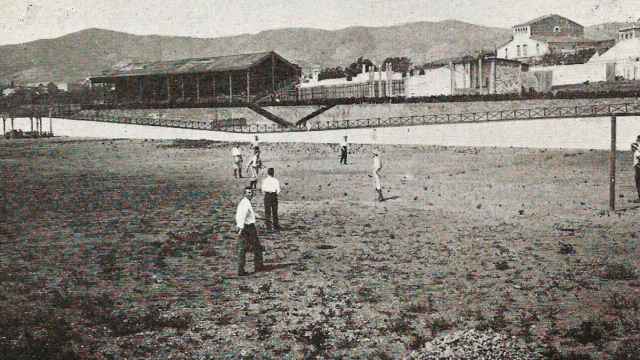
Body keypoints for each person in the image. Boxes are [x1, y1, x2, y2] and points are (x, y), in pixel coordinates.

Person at [235, 186, 264, 276]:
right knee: (251, 248)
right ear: (244, 194)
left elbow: (247, 214)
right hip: (247, 228)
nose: (250, 194)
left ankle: (253, 267)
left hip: (247, 227)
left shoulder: (245, 202)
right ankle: (255, 267)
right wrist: (240, 228)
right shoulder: (245, 203)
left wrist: (256, 215)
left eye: (251, 192)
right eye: (248, 192)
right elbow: (241, 216)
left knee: (248, 248)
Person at [632, 135, 640, 203]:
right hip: (637, 166)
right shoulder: (637, 147)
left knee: (638, 182)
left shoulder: (638, 148)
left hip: (638, 167)